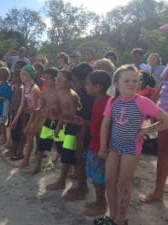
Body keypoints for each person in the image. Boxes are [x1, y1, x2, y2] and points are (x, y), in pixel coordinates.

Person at [95, 65, 168, 225]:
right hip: (113, 148)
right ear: (116, 83)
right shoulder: (113, 101)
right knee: (109, 180)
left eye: (135, 80)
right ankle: (112, 215)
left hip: (131, 149)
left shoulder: (143, 102)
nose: (131, 83)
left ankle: (120, 220)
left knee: (123, 183)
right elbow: (105, 124)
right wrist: (102, 146)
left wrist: (145, 130)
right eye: (126, 80)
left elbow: (166, 120)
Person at [63, 62, 94, 201]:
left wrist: (81, 138)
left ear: (85, 79)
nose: (75, 83)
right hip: (75, 129)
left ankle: (82, 189)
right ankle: (80, 183)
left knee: (81, 159)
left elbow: (87, 119)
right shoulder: (80, 91)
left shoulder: (89, 95)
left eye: (76, 81)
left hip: (84, 133)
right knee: (75, 157)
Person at [83, 70, 111, 217]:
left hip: (101, 147)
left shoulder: (109, 102)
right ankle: (98, 201)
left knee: (100, 179)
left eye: (88, 84)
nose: (85, 86)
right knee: (94, 177)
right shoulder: (97, 99)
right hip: (93, 145)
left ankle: (102, 204)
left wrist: (103, 147)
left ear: (98, 86)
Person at [45, 70, 80, 189]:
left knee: (67, 154)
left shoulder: (71, 96)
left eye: (61, 79)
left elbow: (75, 117)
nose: (57, 81)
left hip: (73, 128)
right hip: (65, 126)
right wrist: (58, 126)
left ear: (69, 83)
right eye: (56, 78)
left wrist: (59, 114)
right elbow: (62, 114)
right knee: (64, 151)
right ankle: (72, 171)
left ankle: (62, 181)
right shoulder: (61, 93)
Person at [139, 65, 168, 204]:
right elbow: (164, 85)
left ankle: (158, 192)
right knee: (163, 153)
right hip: (164, 113)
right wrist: (156, 106)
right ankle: (158, 192)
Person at [29, 67, 60, 175]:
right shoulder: (44, 92)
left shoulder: (61, 92)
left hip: (59, 122)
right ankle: (37, 166)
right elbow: (41, 107)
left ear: (55, 79)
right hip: (48, 121)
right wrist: (36, 110)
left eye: (48, 78)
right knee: (42, 145)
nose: (45, 80)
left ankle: (67, 167)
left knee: (60, 145)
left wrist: (54, 110)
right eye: (45, 78)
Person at [0, 67, 12, 143]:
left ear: (1, 76)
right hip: (0, 106)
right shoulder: (2, 84)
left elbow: (7, 96)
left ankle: (4, 138)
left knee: (1, 123)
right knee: (0, 122)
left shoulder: (6, 85)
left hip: (4, 107)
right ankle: (2, 136)